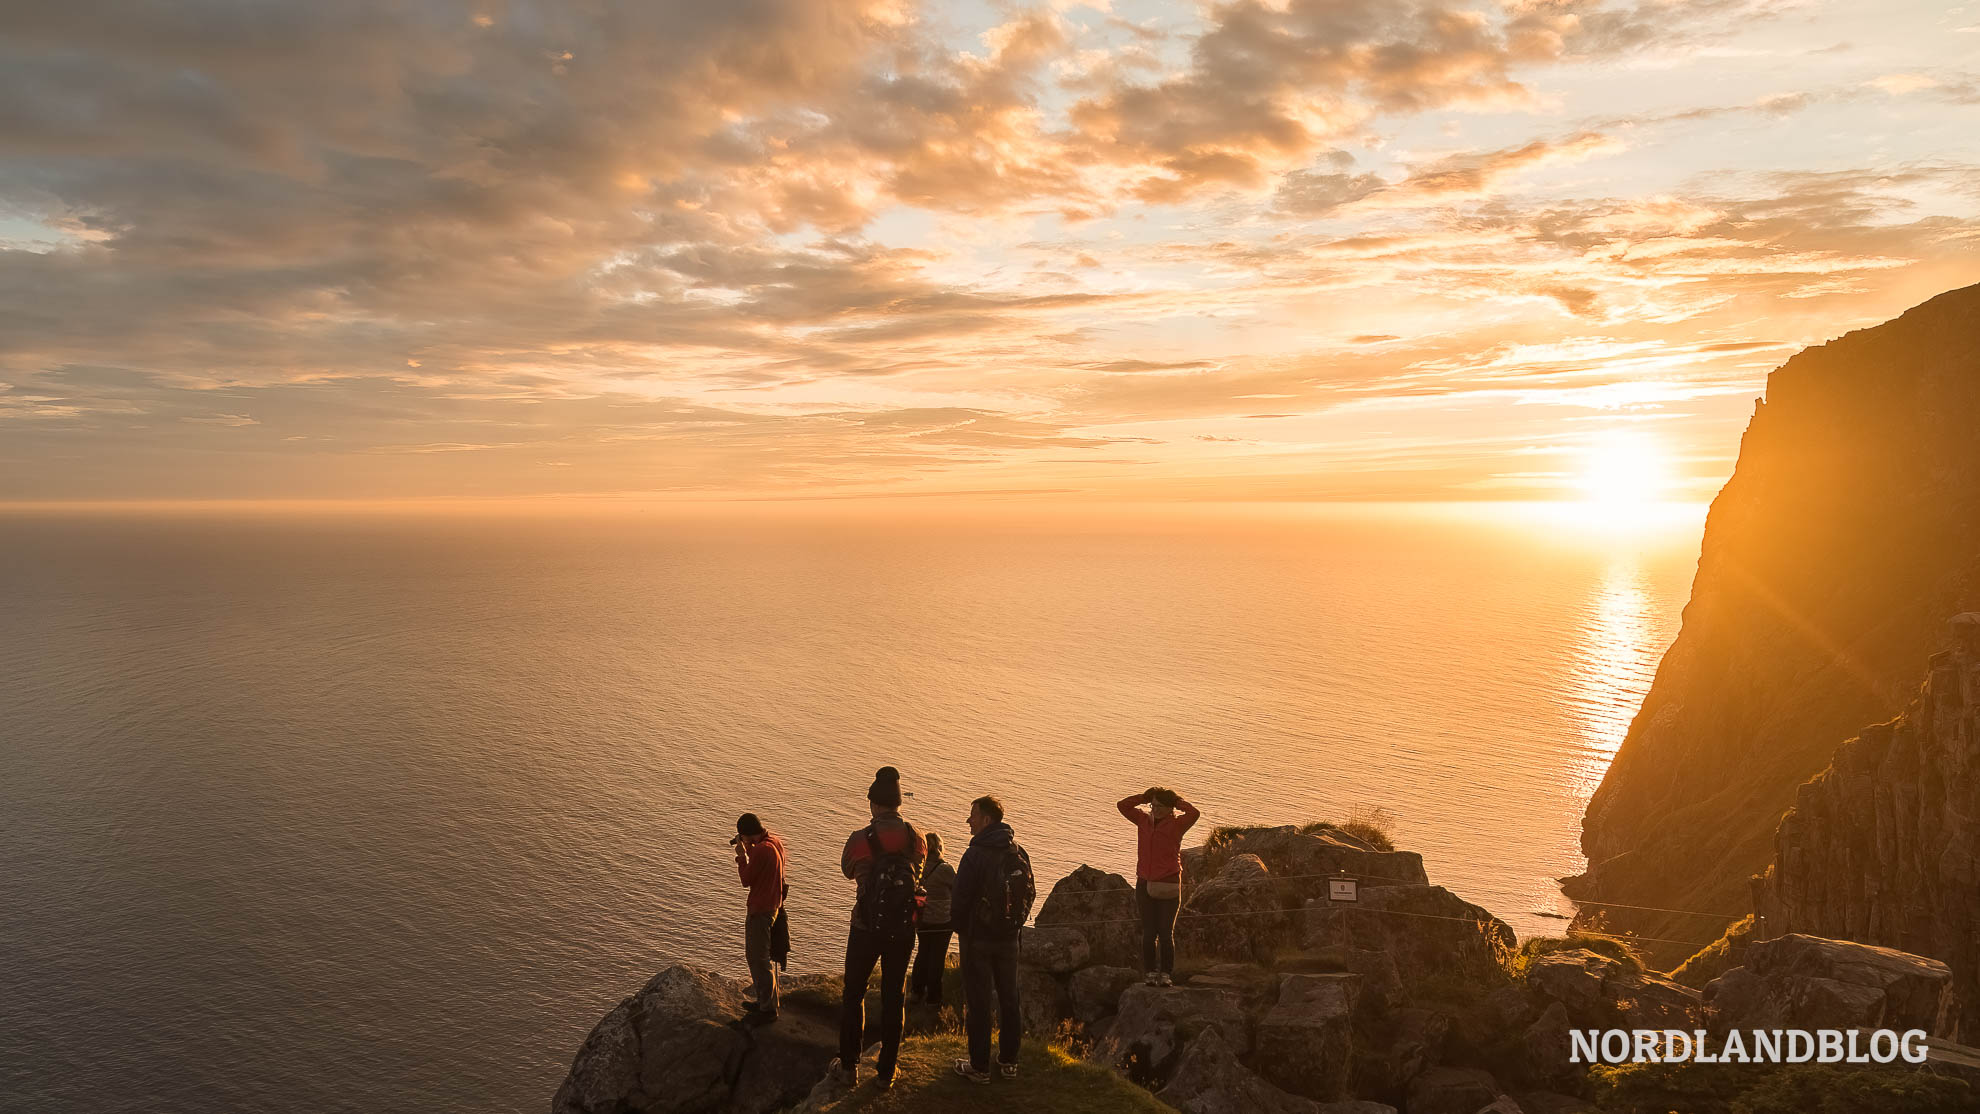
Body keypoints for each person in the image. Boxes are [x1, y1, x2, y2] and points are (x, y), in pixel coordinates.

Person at [831, 766, 926, 1089]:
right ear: (899, 804)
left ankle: (848, 1068)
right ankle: (886, 1072)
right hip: (903, 929)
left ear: (873, 803)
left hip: (865, 927)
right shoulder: (917, 838)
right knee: (893, 996)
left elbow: (847, 870)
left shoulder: (860, 840)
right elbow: (919, 871)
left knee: (853, 994)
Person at [949, 795, 1033, 1085]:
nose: (968, 821)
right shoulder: (1018, 851)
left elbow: (959, 900)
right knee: (1010, 998)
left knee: (979, 1002)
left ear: (986, 820)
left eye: (972, 815)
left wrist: (962, 928)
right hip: (1010, 938)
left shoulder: (974, 855)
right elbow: (1029, 892)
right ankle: (1009, 1061)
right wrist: (1016, 924)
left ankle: (979, 1066)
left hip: (978, 939)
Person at [1118, 786, 1200, 985]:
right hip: (1144, 882)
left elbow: (1194, 813)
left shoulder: (1178, 824)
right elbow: (1122, 805)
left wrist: (1177, 801)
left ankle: (1166, 974)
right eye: (1152, 805)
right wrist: (1144, 797)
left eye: (1160, 806)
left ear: (1169, 808)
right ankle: (1150, 973)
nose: (1154, 809)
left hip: (1169, 883)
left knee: (1165, 933)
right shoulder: (1143, 820)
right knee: (1148, 933)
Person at [732, 812, 787, 1025]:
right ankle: (765, 1001)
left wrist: (741, 856)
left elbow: (746, 879)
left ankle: (767, 1008)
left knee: (757, 958)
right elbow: (764, 867)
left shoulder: (761, 851)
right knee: (761, 957)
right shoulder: (774, 842)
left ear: (747, 835)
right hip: (773, 906)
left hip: (760, 909)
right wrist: (748, 848)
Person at [909, 831, 956, 1005]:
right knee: (937, 957)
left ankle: (916, 991)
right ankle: (934, 997)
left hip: (922, 919)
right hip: (943, 921)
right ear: (940, 848)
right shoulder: (945, 869)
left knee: (923, 953)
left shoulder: (916, 868)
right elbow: (958, 889)